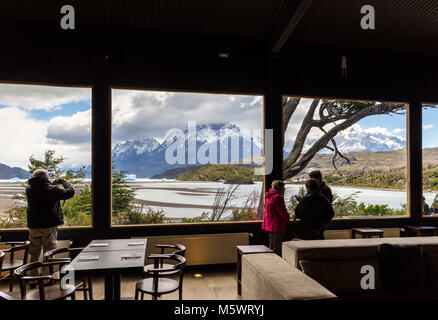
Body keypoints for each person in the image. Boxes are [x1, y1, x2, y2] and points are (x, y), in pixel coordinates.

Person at [26, 169, 75, 270]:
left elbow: (42, 191)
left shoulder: (29, 188)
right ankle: (46, 280)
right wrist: (63, 181)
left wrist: (51, 185)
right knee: (48, 253)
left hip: (33, 226)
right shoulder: (52, 189)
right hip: (48, 225)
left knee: (34, 253)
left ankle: (32, 279)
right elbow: (70, 192)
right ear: (45, 177)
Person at [262, 180, 290, 256]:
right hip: (277, 225)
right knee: (277, 248)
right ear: (280, 188)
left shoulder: (268, 197)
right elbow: (282, 211)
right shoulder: (278, 197)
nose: (284, 190)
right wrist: (288, 218)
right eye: (283, 188)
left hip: (269, 224)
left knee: (271, 245)